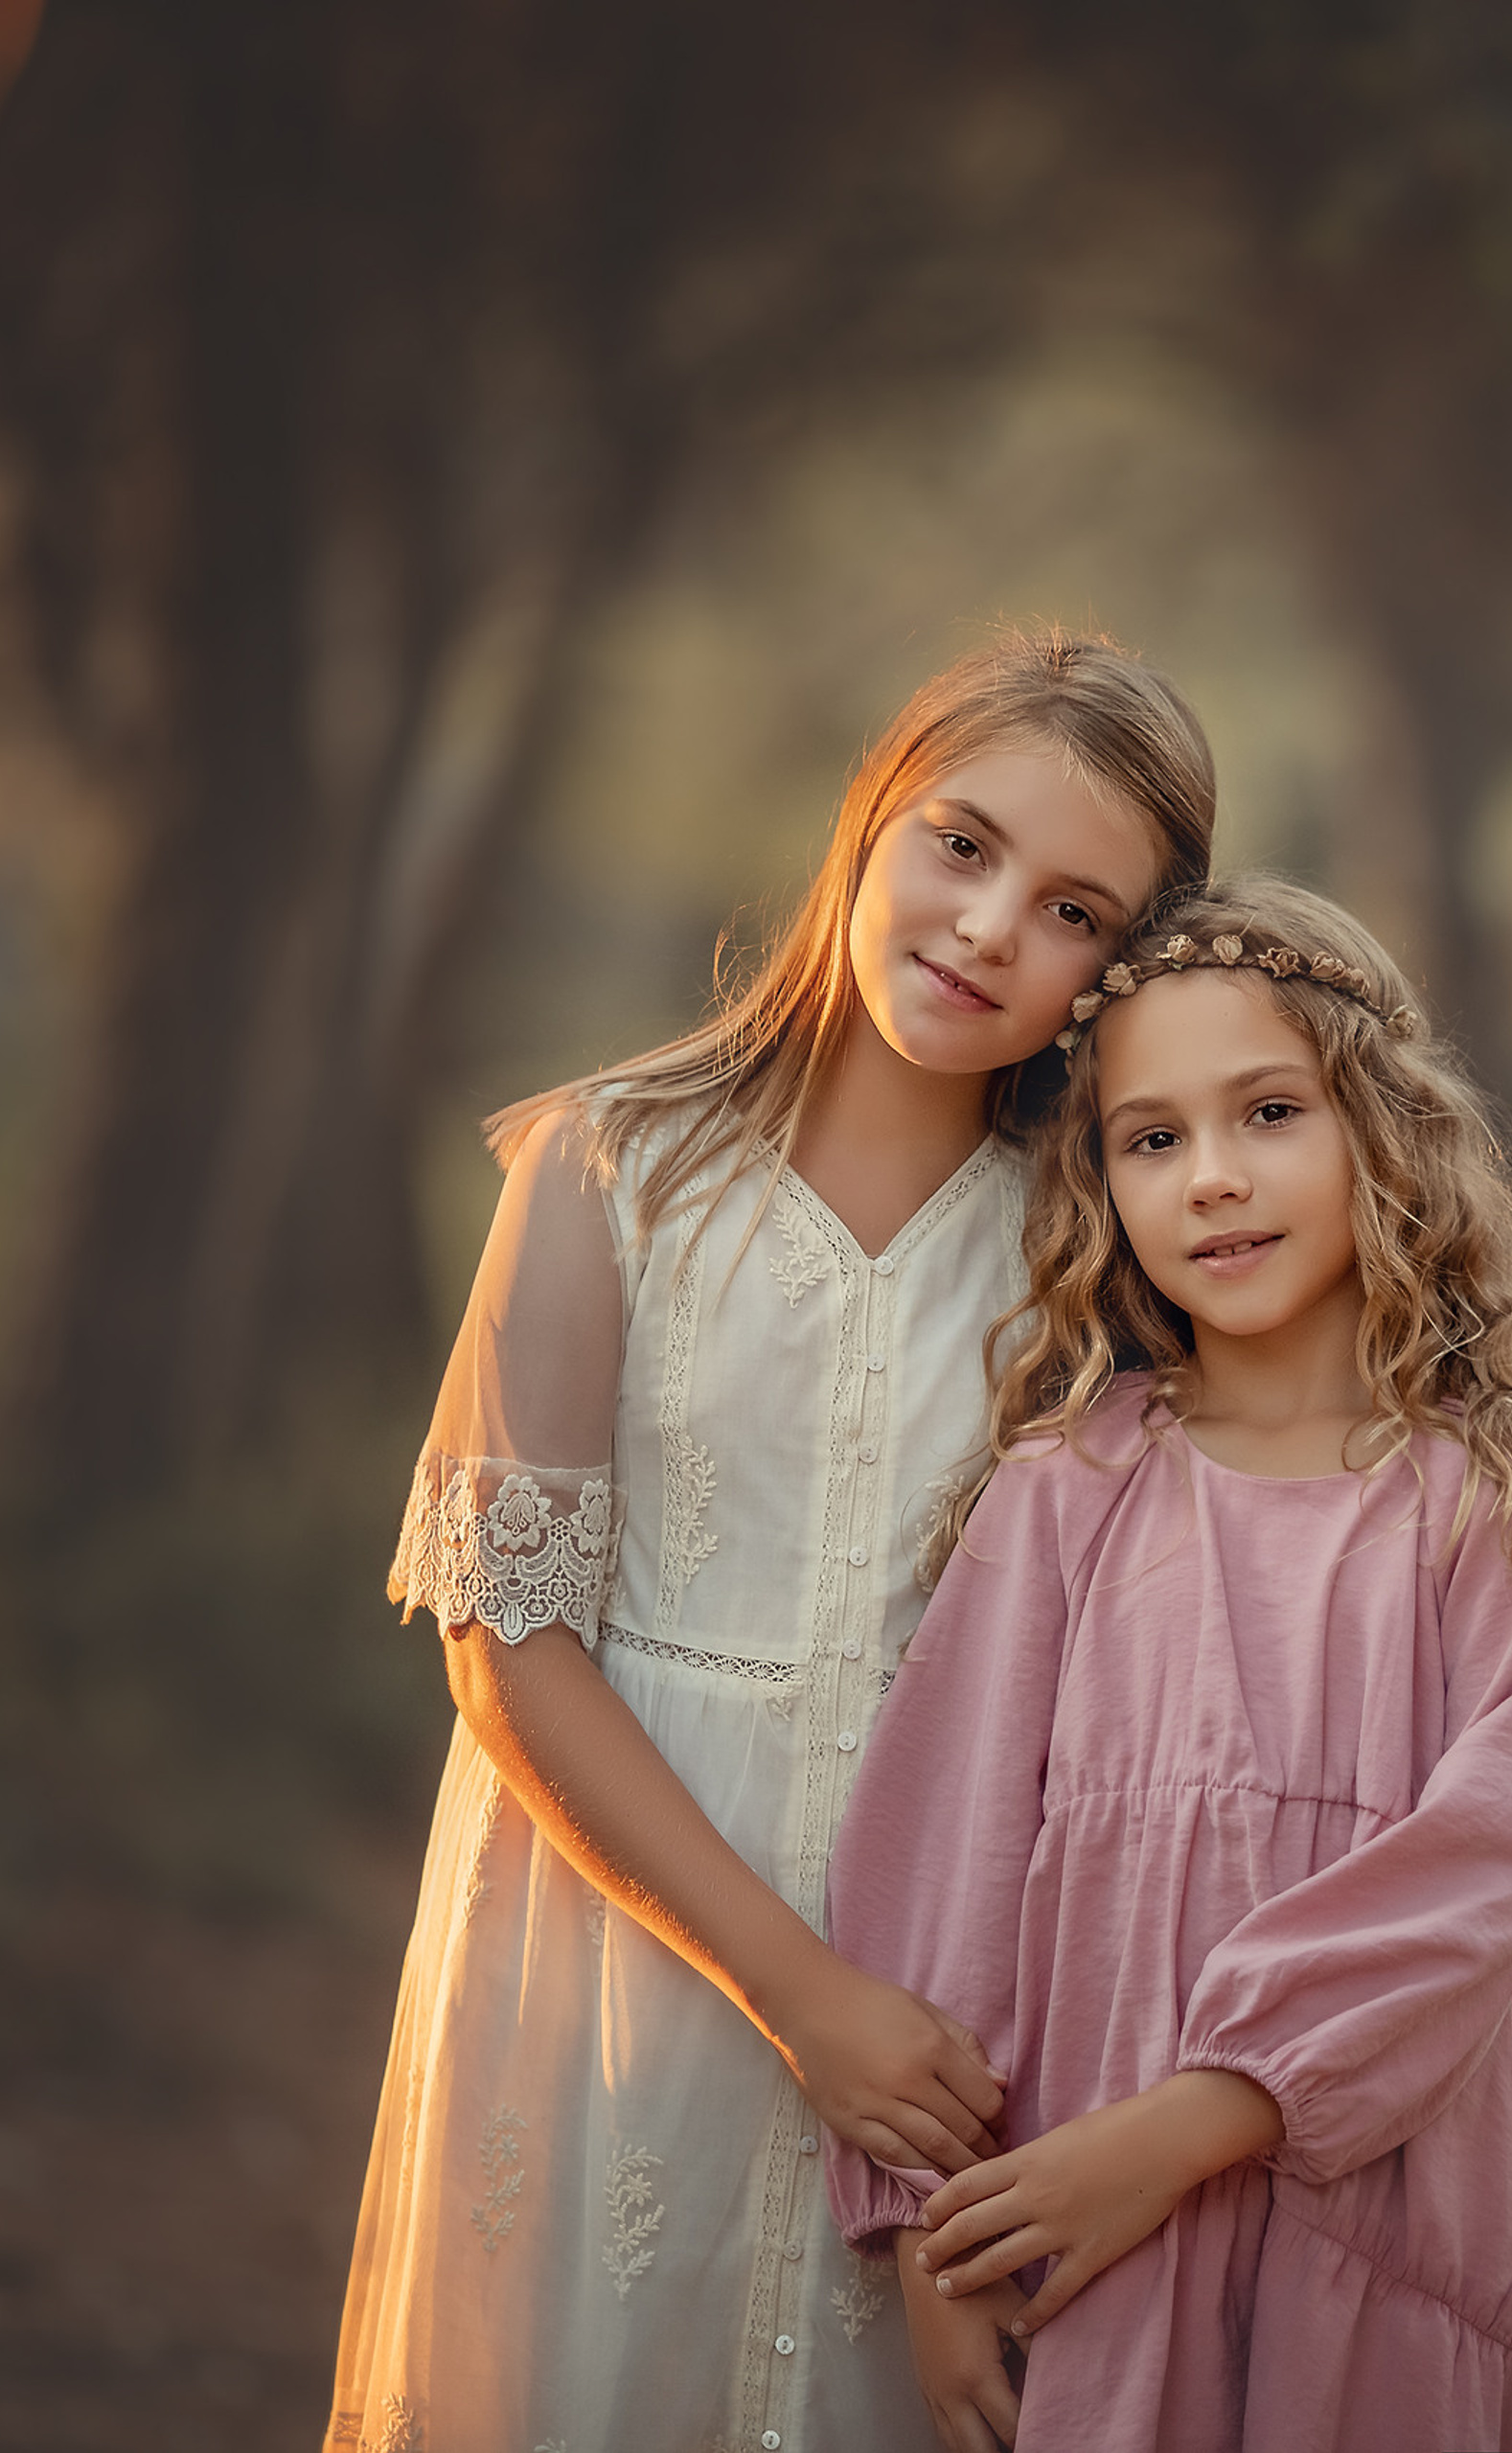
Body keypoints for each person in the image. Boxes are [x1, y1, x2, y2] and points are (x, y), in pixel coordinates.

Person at [327, 630, 1216, 2453]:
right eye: (960, 846)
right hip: (615, 1944)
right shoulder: (607, 1169)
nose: (984, 928)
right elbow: (509, 1648)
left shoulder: (1091, 1258)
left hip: (949, 1973)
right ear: (871, 822)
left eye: (1066, 909)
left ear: (1111, 975)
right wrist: (795, 1994)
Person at [825, 878, 1512, 2453]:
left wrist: (1191, 2127)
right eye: (1151, 1139)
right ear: (1101, 1183)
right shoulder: (1069, 1490)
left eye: (1268, 1112)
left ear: (1382, 1132)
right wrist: (944, 2234)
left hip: (1399, 2213)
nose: (1212, 1179)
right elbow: (942, 1871)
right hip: (1092, 2227)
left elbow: (1483, 1874)